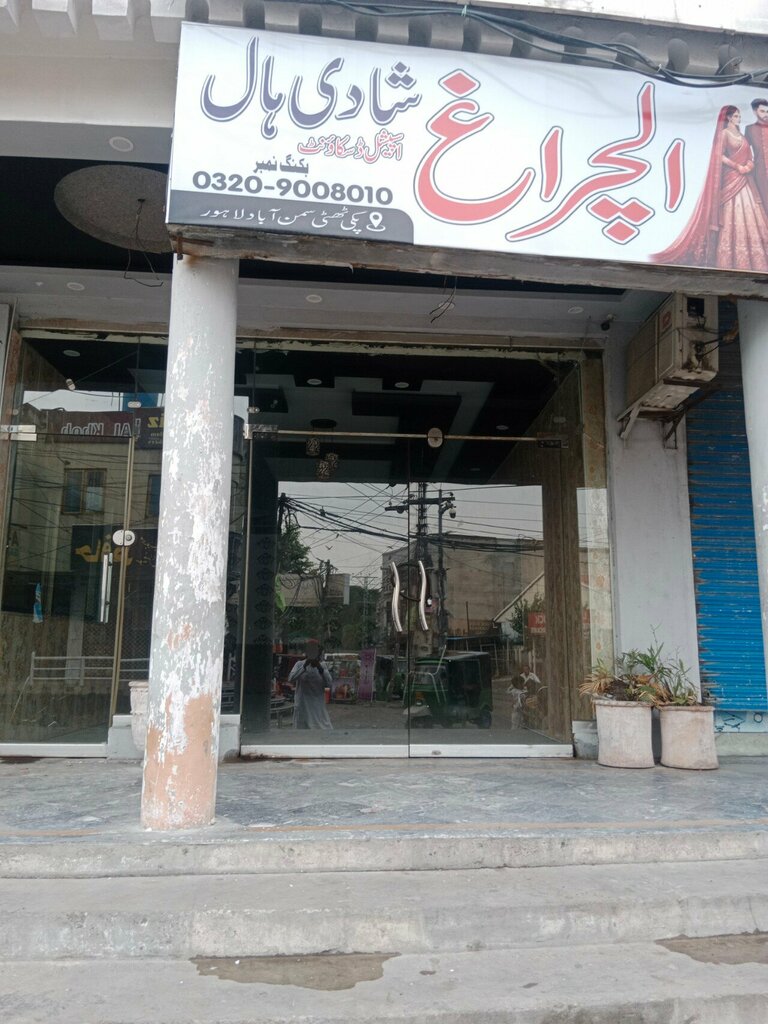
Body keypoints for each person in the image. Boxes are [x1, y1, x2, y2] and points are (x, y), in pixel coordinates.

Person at [651, 105, 768, 273]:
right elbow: (719, 156)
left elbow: (749, 156)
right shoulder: (724, 134)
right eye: (736, 116)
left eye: (739, 116)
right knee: (731, 215)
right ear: (729, 118)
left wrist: (748, 166)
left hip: (745, 180)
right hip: (731, 179)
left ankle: (756, 259)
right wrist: (737, 166)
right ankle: (729, 259)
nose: (739, 119)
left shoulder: (742, 135)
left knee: (752, 213)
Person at [289, 640, 333, 730]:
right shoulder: (299, 664)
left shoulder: (323, 666)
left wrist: (320, 669)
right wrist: (304, 666)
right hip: (302, 707)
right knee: (302, 733)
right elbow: (291, 679)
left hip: (317, 708)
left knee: (322, 731)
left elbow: (329, 684)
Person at [745, 97, 768, 215]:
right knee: (763, 204)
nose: (766, 114)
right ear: (755, 112)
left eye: (767, 111)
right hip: (760, 172)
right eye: (762, 111)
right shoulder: (750, 129)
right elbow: (743, 151)